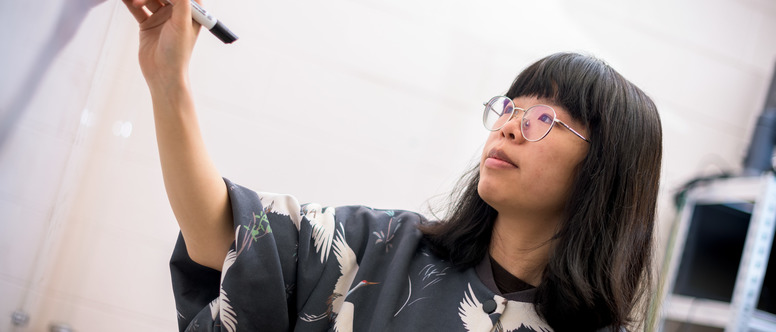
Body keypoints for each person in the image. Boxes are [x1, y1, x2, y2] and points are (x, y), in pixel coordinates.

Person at [122, 0, 662, 331]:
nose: (509, 125)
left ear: (604, 171)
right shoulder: (379, 248)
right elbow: (222, 236)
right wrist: (169, 84)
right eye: (511, 107)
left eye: (544, 116)